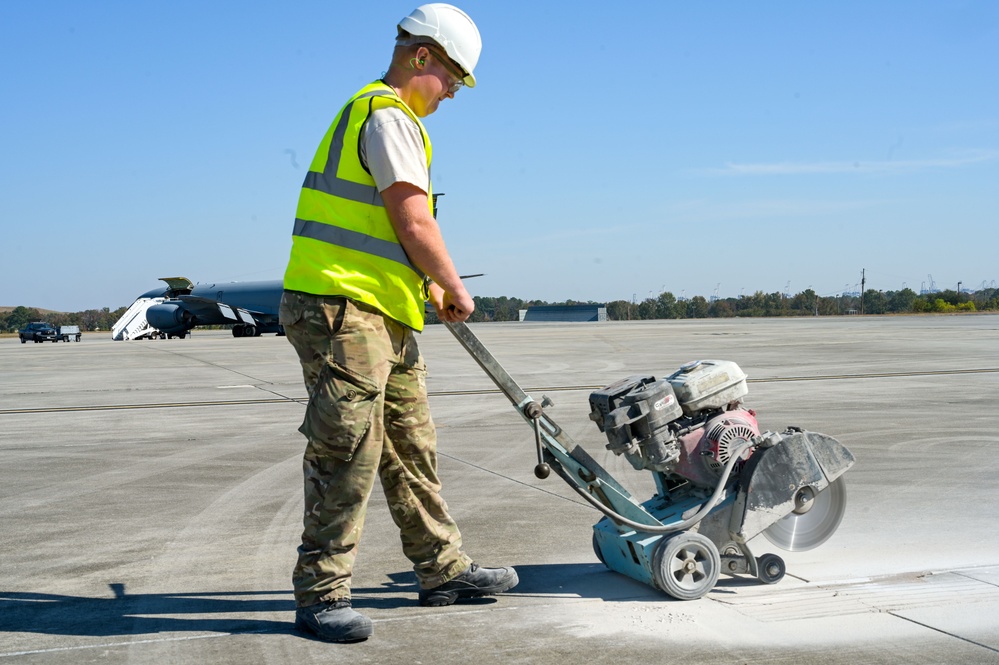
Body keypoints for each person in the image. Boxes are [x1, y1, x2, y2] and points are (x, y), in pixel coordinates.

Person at [279, 3, 518, 644]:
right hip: (341, 309)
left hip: (383, 310)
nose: (453, 93)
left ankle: (443, 570)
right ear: (422, 59)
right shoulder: (387, 116)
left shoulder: (394, 118)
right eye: (453, 79)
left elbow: (392, 235)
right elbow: (413, 222)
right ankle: (321, 594)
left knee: (412, 445)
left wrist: (425, 286)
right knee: (348, 452)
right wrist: (453, 284)